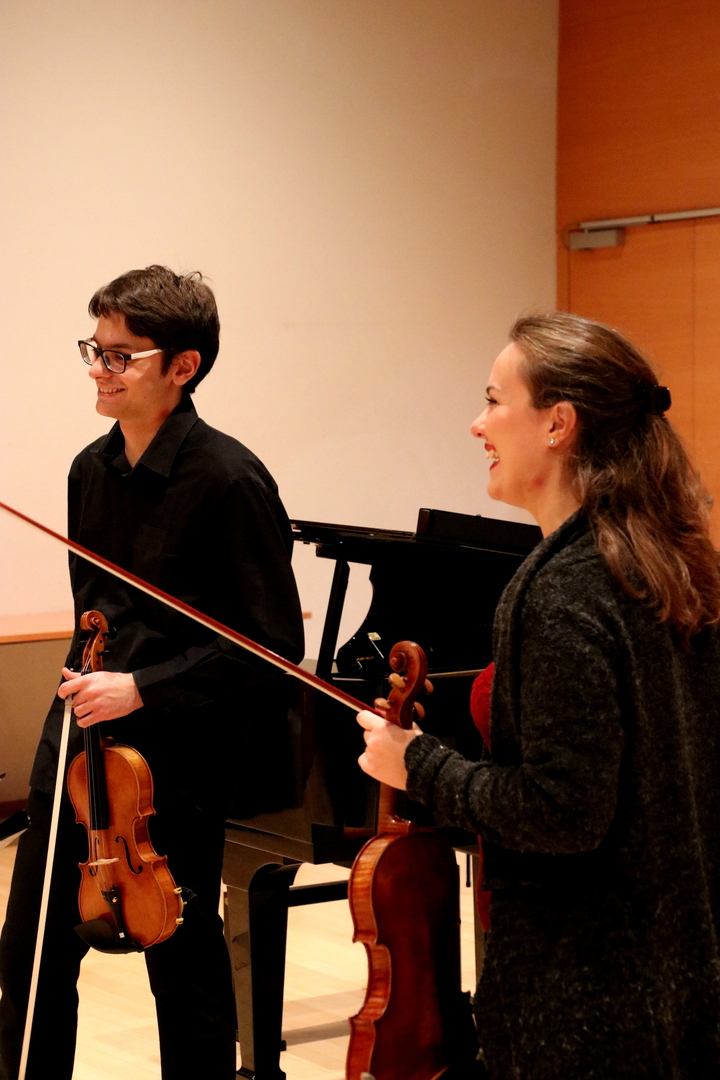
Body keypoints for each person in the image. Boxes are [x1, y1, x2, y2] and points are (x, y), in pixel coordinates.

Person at [357, 312, 720, 1079]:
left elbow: (561, 813)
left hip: (585, 999)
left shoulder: (561, 591)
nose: (477, 423)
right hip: (676, 971)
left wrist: (416, 763)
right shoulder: (670, 558)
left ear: (558, 423)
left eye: (494, 401)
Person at [0, 266, 304, 1080]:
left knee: (182, 964)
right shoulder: (88, 470)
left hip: (178, 759)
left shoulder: (229, 480)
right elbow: (95, 618)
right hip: (79, 743)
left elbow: (271, 644)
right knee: (30, 953)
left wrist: (142, 688)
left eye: (120, 357)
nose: (99, 371)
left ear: (182, 365)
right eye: (94, 351)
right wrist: (93, 689)